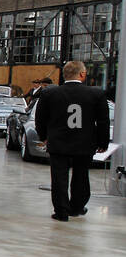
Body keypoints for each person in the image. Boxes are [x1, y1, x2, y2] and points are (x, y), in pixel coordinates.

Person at [36, 60, 111, 222]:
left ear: (64, 75)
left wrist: (44, 137)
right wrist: (103, 143)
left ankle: (61, 212)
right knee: (81, 176)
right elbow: (103, 121)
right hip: (85, 143)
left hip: (58, 143)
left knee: (58, 178)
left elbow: (40, 119)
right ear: (83, 74)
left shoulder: (49, 93)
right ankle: (76, 208)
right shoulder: (96, 94)